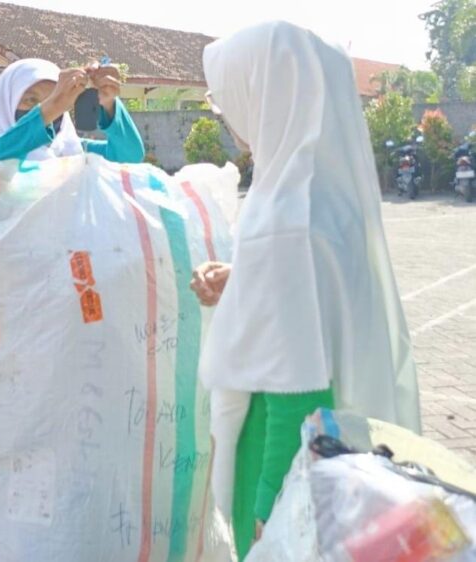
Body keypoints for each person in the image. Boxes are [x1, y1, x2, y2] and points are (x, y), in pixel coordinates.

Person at [190, 21, 421, 560]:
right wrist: (246, 281)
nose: (232, 122)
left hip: (287, 472)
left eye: (233, 103)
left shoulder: (283, 219)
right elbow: (314, 311)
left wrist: (270, 518)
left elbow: (296, 396)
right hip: (347, 459)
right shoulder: (328, 200)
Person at [0, 58, 144, 165]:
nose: (50, 109)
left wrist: (108, 101)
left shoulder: (72, 151)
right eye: (30, 100)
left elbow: (129, 156)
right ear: (5, 104)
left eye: (56, 98)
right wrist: (53, 106)